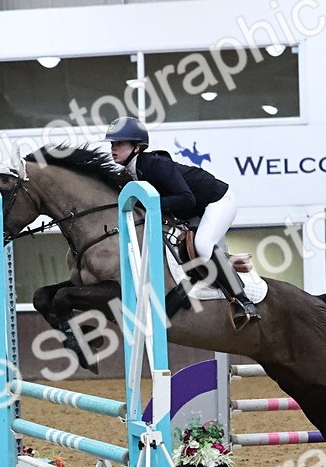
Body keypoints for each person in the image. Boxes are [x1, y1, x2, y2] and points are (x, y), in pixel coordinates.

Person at [104, 116, 260, 329]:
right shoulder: (131, 173)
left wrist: (149, 203)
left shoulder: (155, 164)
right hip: (193, 210)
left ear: (137, 147)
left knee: (203, 244)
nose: (113, 149)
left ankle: (243, 301)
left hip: (218, 201)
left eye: (119, 143)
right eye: (112, 144)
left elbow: (187, 198)